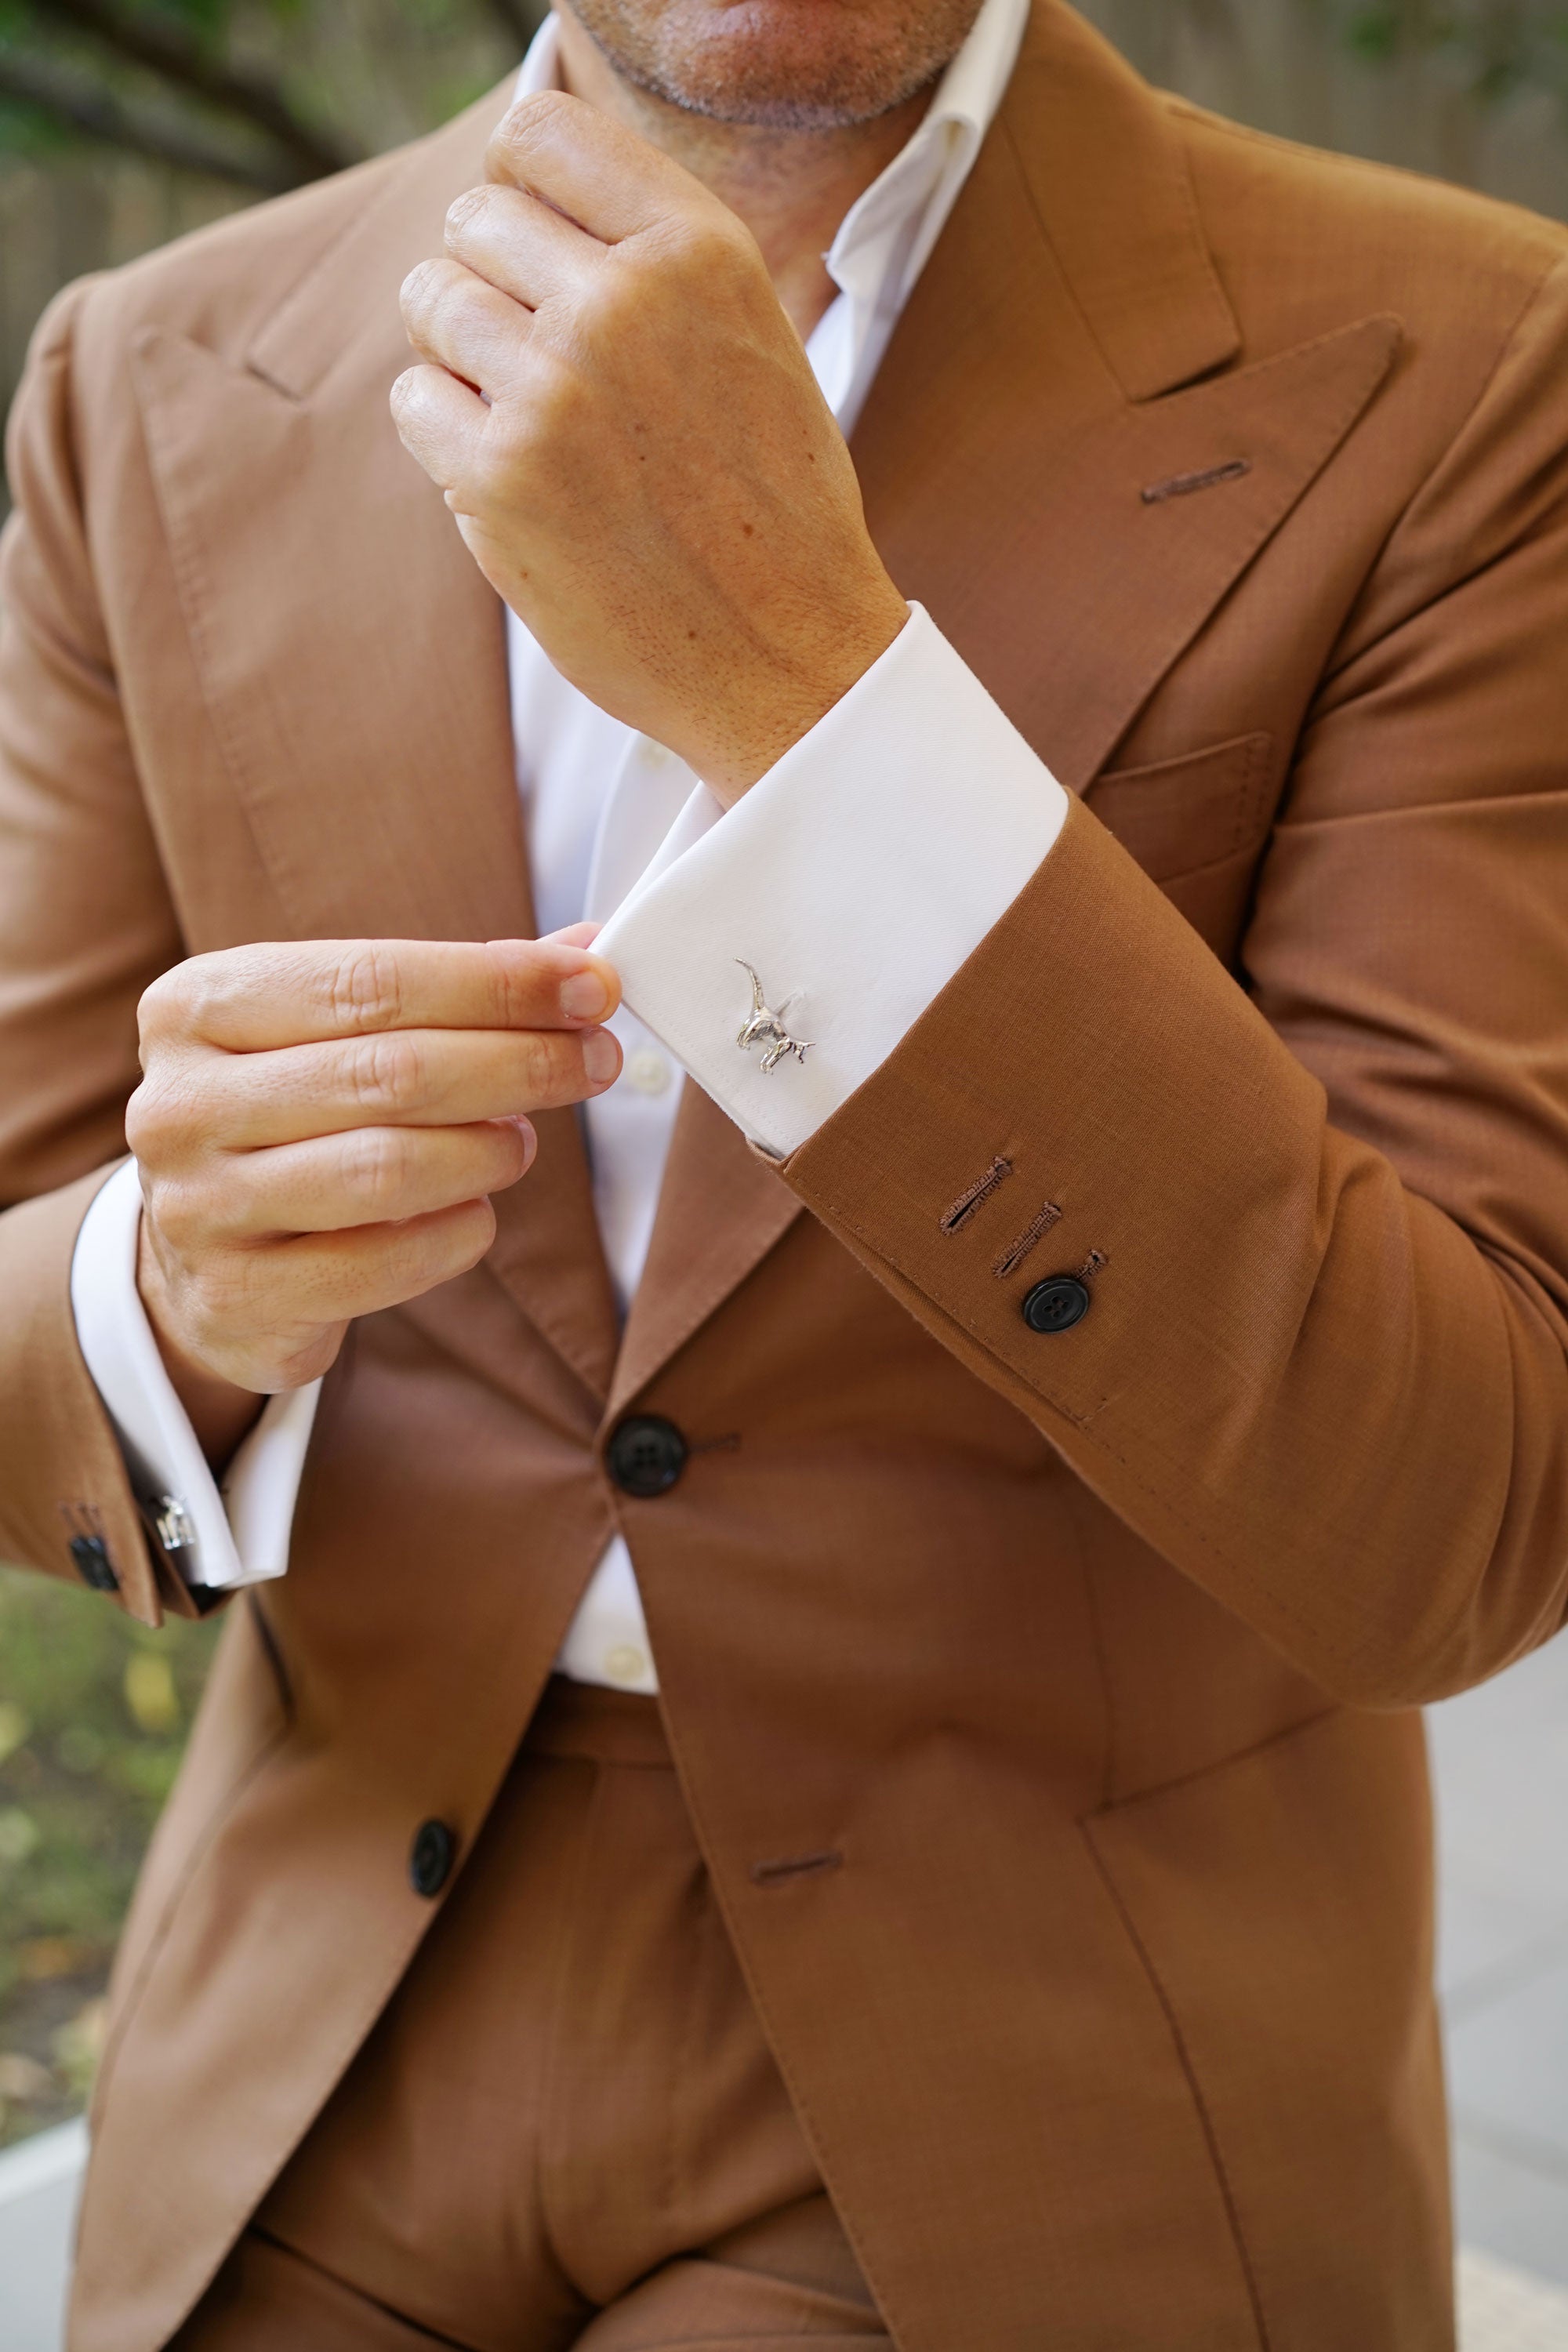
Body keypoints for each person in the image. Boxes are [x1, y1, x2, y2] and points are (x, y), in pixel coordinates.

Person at [2, 0, 1566, 2338]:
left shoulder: (1475, 362)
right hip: (315, 2014)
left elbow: (1466, 1512)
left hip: (1044, 2049)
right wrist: (167, 1293)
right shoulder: (142, 374)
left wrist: (815, 700)